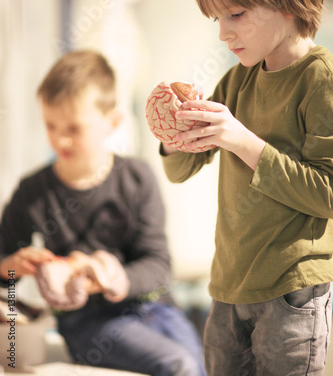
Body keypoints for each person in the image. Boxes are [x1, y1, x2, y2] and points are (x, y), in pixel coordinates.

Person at [158, 0, 333, 376]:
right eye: (217, 19)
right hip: (228, 289)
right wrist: (172, 134)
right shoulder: (238, 80)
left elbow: (329, 193)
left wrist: (242, 140)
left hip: (292, 293)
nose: (223, 33)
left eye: (235, 14)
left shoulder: (321, 79)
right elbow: (180, 171)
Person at [0, 50, 207, 376]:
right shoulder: (32, 192)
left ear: (113, 122)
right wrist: (10, 266)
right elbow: (4, 259)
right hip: (87, 321)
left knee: (199, 365)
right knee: (179, 365)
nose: (60, 138)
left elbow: (158, 265)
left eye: (74, 128)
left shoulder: (137, 178)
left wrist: (109, 277)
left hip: (156, 307)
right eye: (50, 125)